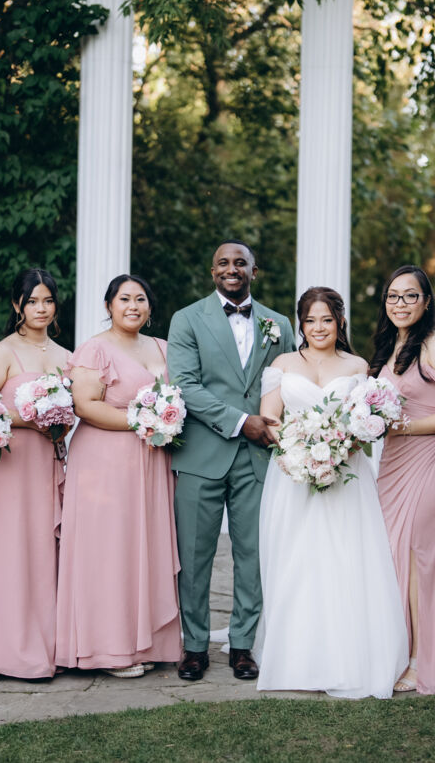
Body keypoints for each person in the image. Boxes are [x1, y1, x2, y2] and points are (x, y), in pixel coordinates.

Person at [254, 288, 408, 698]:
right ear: (300, 324)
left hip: (346, 473)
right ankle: (296, 659)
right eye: (310, 321)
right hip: (294, 474)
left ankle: (347, 657)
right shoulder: (283, 364)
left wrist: (341, 446)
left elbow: (366, 419)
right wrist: (300, 449)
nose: (318, 328)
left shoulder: (357, 366)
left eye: (326, 320)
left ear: (340, 321)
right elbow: (270, 418)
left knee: (346, 557)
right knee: (297, 559)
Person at [167, 240, 295, 681]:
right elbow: (185, 384)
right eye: (223, 262)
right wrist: (242, 422)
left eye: (241, 262)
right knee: (194, 556)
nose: (232, 268)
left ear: (254, 272)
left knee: (253, 555)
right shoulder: (187, 319)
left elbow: (288, 382)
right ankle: (194, 647)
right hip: (201, 455)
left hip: (259, 458)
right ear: (212, 271)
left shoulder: (279, 324)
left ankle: (243, 645)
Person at [55, 275, 181, 677]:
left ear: (150, 307)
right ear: (109, 305)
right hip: (105, 463)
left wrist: (165, 422)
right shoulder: (95, 349)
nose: (133, 306)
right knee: (110, 551)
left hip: (152, 462)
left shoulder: (163, 347)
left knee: (144, 547)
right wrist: (144, 421)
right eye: (124, 299)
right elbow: (85, 405)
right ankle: (108, 648)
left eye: (140, 299)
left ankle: (147, 642)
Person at [0, 268, 71, 680]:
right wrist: (29, 418)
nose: (41, 309)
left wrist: (58, 424)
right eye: (32, 302)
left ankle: (49, 645)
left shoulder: (66, 355)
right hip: (10, 465)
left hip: (48, 461)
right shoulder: (4, 352)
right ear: (17, 306)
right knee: (12, 549)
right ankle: (8, 649)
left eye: (47, 301)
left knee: (45, 548)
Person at [369, 265, 435, 695]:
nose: (401, 303)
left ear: (426, 302)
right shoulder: (390, 345)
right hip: (393, 462)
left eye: (411, 296)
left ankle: (423, 661)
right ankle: (397, 649)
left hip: (429, 460)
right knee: (392, 553)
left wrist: (402, 426)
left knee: (419, 557)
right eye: (394, 296)